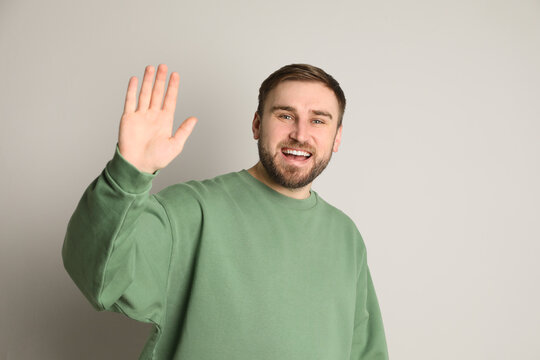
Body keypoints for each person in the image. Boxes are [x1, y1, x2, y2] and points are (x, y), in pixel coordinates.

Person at [62, 63, 389, 359]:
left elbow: (366, 352)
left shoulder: (346, 236)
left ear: (337, 137)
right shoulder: (193, 210)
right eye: (285, 115)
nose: (300, 134)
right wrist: (128, 173)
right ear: (257, 124)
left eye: (318, 120)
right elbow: (99, 279)